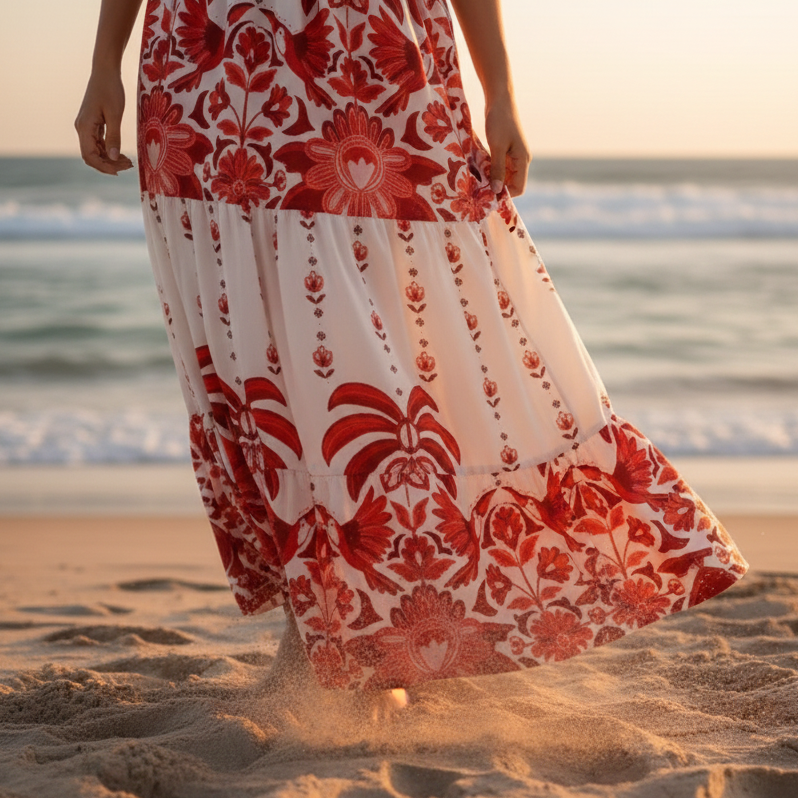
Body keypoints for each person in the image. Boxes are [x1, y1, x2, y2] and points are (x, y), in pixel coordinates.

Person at [76, 0, 749, 704]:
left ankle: (371, 633)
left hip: (369, 56)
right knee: (252, 347)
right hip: (207, 62)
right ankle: (321, 630)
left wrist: (502, 94)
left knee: (382, 339)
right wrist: (104, 64)